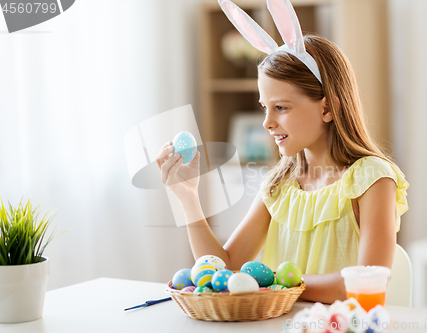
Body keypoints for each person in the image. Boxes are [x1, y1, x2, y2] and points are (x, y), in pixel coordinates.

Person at [156, 35, 408, 305]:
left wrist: (271, 282)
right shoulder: (278, 186)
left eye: (281, 107)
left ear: (327, 108)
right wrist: (188, 198)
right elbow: (224, 269)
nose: (267, 122)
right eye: (265, 108)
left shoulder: (372, 179)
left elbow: (365, 281)